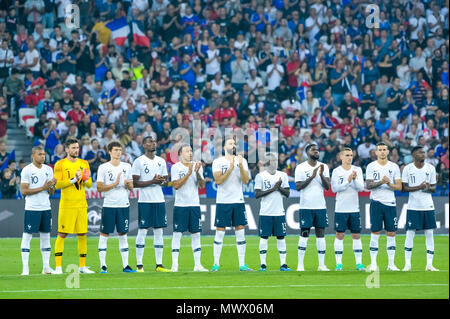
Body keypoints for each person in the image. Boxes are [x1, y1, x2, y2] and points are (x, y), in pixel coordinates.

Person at [53, 137, 94, 274]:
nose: (76, 150)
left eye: (77, 148)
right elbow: (57, 185)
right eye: (73, 148)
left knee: (82, 234)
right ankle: (58, 267)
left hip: (81, 204)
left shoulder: (84, 163)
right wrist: (73, 180)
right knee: (62, 234)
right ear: (67, 149)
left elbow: (89, 184)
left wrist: (83, 177)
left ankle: (82, 267)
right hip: (67, 205)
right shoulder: (60, 164)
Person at [211, 137, 251, 272]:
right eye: (230, 143)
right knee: (220, 233)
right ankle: (216, 264)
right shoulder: (217, 162)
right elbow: (218, 181)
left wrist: (239, 166)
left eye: (234, 143)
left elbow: (246, 181)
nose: (233, 145)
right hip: (223, 202)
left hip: (238, 201)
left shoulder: (242, 161)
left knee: (240, 233)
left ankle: (242, 264)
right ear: (224, 147)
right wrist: (231, 168)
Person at [131, 136, 170, 272]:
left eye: (154, 141)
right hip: (145, 201)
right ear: (144, 146)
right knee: (142, 231)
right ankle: (139, 265)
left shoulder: (161, 161)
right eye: (149, 142)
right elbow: (134, 183)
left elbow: (165, 181)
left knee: (159, 231)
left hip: (159, 200)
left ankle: (159, 265)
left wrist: (161, 181)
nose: (153, 143)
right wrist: (152, 182)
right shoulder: (138, 161)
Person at [96, 141, 136, 274]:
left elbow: (131, 187)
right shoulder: (103, 167)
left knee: (123, 234)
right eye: (116, 150)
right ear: (109, 151)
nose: (119, 152)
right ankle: (103, 266)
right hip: (109, 205)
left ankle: (126, 266)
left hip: (123, 205)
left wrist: (127, 184)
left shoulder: (127, 167)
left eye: (120, 150)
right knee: (104, 234)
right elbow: (99, 188)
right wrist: (115, 183)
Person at [365, 142, 402, 272]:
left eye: (384, 150)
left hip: (390, 204)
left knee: (391, 233)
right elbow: (368, 185)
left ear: (388, 152)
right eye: (379, 150)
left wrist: (389, 184)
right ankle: (373, 263)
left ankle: (391, 264)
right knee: (375, 232)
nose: (381, 152)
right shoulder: (371, 166)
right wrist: (381, 181)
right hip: (376, 203)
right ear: (376, 152)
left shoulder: (394, 167)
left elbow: (399, 186)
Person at [170, 144, 208, 272]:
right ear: (180, 154)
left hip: (194, 205)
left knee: (196, 234)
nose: (190, 153)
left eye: (191, 151)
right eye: (187, 151)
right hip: (181, 205)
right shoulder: (176, 167)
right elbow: (176, 185)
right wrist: (189, 172)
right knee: (177, 234)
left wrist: (197, 172)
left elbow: (202, 185)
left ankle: (197, 265)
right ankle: (175, 265)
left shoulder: (197, 166)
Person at [19, 146, 56, 275]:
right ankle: (25, 268)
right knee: (27, 236)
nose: (43, 157)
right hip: (32, 208)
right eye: (40, 154)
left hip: (46, 207)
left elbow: (50, 192)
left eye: (44, 154)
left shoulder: (48, 169)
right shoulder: (27, 170)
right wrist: (43, 187)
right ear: (33, 155)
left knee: (46, 236)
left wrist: (51, 186)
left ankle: (46, 267)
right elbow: (23, 191)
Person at [401, 146, 439, 272]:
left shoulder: (431, 168)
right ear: (413, 155)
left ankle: (429, 264)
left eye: (423, 152)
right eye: (420, 152)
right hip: (413, 206)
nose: (423, 154)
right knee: (410, 234)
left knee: (429, 234)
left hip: (428, 206)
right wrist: (419, 186)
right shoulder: (408, 168)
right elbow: (404, 188)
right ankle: (407, 264)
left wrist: (427, 187)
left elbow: (433, 188)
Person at [295, 144, 331, 271]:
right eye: (313, 150)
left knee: (320, 234)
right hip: (306, 206)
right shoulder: (300, 167)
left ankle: (321, 265)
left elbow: (327, 187)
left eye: (317, 150)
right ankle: (300, 264)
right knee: (304, 233)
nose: (316, 151)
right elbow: (298, 187)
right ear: (307, 152)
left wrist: (320, 175)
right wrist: (312, 176)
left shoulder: (324, 166)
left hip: (320, 206)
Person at [254, 152, 291, 272]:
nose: (274, 163)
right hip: (265, 212)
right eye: (271, 161)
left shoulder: (283, 175)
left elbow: (287, 193)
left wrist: (278, 187)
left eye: (275, 161)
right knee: (264, 237)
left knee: (281, 237)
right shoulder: (260, 176)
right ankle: (263, 264)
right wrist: (273, 188)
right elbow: (257, 194)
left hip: (279, 212)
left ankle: (283, 264)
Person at [330, 147, 365, 271]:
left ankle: (359, 263)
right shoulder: (336, 171)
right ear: (341, 157)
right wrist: (347, 181)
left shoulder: (358, 170)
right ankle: (339, 264)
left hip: (354, 208)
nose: (349, 157)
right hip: (341, 208)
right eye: (347, 155)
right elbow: (334, 189)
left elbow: (361, 188)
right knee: (340, 235)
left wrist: (354, 180)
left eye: (351, 155)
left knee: (356, 235)